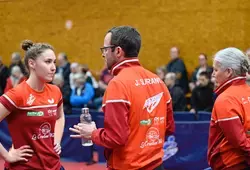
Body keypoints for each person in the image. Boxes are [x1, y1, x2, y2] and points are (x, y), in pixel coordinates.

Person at [69, 26, 175, 170]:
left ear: (118, 51)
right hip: (157, 164)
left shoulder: (117, 85)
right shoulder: (158, 81)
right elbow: (168, 128)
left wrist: (92, 133)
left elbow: (116, 138)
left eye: (105, 49)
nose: (103, 54)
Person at [0, 40, 65, 170]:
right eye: (48, 62)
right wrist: (7, 156)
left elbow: (59, 117)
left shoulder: (55, 91)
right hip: (24, 166)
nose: (53, 67)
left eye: (54, 62)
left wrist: (56, 141)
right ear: (32, 63)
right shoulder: (17, 94)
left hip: (54, 165)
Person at [207, 47, 250, 170]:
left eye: (216, 69)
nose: (213, 74)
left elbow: (239, 142)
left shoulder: (225, 99)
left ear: (228, 72)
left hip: (231, 164)